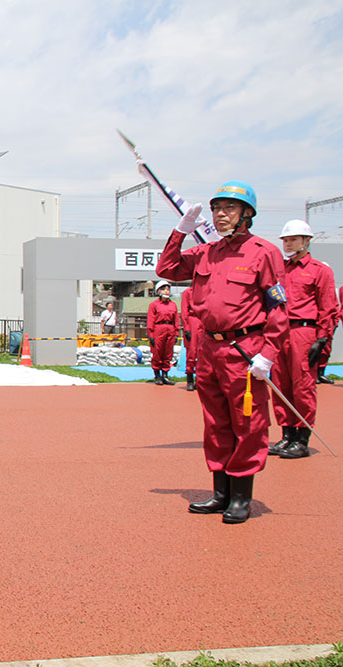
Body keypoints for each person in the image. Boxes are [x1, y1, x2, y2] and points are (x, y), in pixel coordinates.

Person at [157, 180, 288, 525]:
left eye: (229, 208)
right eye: (216, 208)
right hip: (210, 349)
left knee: (247, 422)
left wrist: (268, 354)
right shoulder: (205, 252)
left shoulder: (264, 252)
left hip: (245, 350)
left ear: (247, 214)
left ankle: (241, 497)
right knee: (216, 423)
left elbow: (278, 309)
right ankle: (221, 493)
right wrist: (180, 230)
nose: (220, 215)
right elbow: (166, 269)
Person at [268, 220, 337, 459]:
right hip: (280, 332)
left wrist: (322, 339)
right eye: (286, 240)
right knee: (281, 385)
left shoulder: (320, 270)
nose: (288, 244)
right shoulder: (280, 271)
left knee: (303, 386)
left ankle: (302, 439)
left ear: (306, 241)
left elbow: (328, 307)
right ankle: (286, 436)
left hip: (304, 332)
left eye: (293, 239)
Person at [147, 280, 178, 385]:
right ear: (158, 291)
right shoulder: (154, 305)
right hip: (158, 329)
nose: (167, 291)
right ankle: (157, 375)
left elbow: (176, 319)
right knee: (157, 352)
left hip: (170, 329)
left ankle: (165, 375)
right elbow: (151, 320)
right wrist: (151, 335)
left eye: (168, 289)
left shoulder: (173, 305)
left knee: (168, 353)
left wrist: (176, 333)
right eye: (164, 289)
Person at [181, 284, 201, 391]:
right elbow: (184, 311)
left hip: (204, 321)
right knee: (192, 352)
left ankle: (200, 380)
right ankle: (190, 379)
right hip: (193, 321)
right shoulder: (188, 292)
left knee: (203, 353)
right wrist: (187, 328)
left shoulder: (206, 291)